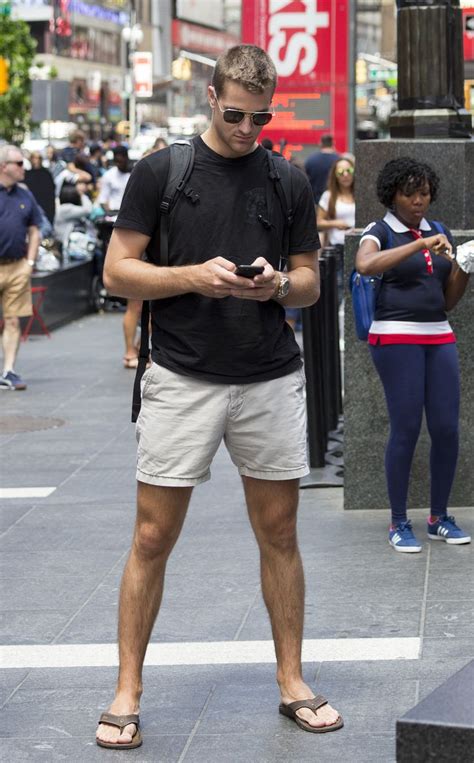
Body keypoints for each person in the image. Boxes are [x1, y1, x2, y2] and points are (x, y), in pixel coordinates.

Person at [96, 44, 342, 750]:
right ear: (211, 96)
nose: (245, 129)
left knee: (281, 532)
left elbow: (309, 281)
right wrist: (191, 277)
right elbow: (119, 272)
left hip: (267, 373)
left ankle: (292, 678)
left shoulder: (287, 179)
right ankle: (126, 688)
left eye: (259, 118)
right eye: (234, 113)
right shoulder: (162, 172)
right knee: (151, 535)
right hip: (180, 374)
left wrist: (276, 285)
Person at [355, 156, 471, 553]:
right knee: (406, 428)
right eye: (410, 194)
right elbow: (365, 263)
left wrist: (463, 269)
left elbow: (448, 300)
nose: (419, 201)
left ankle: (439, 517)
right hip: (395, 336)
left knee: (447, 428)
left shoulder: (440, 231)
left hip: (438, 335)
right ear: (393, 195)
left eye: (424, 193)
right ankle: (399, 521)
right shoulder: (380, 231)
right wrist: (419, 243)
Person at [0, 145, 42, 391]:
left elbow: (35, 230)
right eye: (19, 163)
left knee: (13, 321)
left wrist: (30, 263)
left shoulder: (25, 194)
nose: (23, 167)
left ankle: (9, 370)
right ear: (4, 166)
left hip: (17, 266)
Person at [97, 146, 139, 368]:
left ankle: (140, 348)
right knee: (135, 303)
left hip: (140, 233)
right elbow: (103, 201)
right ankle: (130, 350)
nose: (121, 161)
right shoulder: (109, 177)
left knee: (146, 304)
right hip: (119, 225)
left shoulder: (136, 174)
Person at [317, 156, 355, 301]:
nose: (345, 175)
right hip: (337, 247)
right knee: (339, 286)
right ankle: (339, 322)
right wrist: (335, 223)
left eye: (349, 170)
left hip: (358, 246)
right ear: (335, 175)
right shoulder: (329, 196)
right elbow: (318, 222)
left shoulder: (360, 194)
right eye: (340, 172)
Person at [54, 182, 93, 253]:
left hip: (72, 246)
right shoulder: (66, 209)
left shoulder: (63, 209)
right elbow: (88, 209)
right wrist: (82, 194)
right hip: (66, 247)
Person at [304, 135, 340, 206]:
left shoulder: (311, 160)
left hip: (315, 202)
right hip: (334, 202)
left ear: (320, 143)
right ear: (333, 143)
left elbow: (306, 181)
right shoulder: (339, 160)